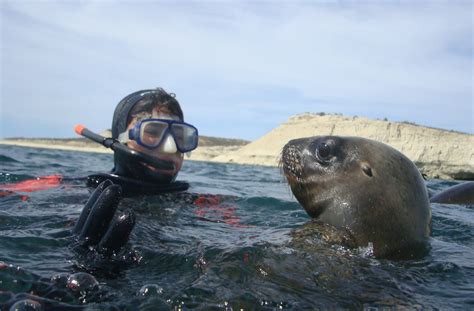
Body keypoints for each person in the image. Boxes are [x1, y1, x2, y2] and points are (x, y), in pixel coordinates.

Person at [73, 87, 199, 259]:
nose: (170, 148)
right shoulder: (63, 189)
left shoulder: (202, 205)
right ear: (120, 140)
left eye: (180, 136)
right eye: (152, 132)